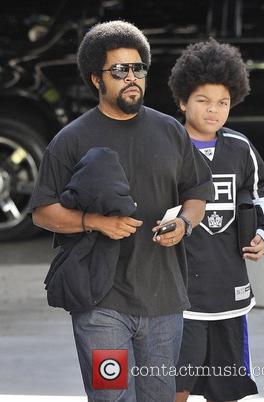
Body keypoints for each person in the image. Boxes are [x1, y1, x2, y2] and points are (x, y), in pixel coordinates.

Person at [29, 20, 214, 402]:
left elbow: (197, 190)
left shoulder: (169, 131)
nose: (132, 78)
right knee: (111, 397)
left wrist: (184, 223)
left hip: (163, 300)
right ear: (97, 79)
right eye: (120, 70)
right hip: (100, 303)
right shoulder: (71, 139)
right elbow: (42, 211)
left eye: (138, 68)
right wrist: (94, 222)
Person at [168, 38, 264, 402]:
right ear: (183, 100)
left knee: (228, 386)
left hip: (229, 288)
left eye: (223, 103)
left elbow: (263, 194)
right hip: (177, 291)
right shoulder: (166, 146)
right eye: (203, 100)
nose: (213, 110)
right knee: (175, 383)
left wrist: (263, 233)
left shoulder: (240, 148)